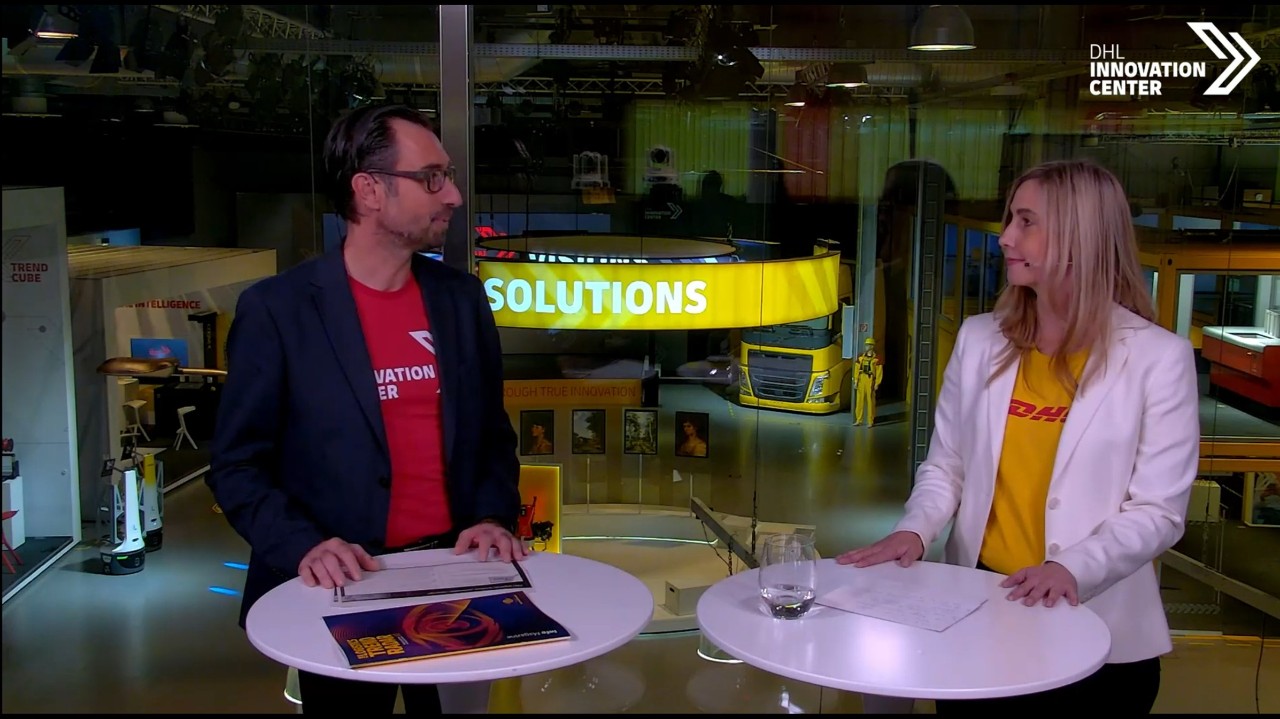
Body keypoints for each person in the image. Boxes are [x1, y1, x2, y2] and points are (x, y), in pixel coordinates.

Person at [837, 159, 1199, 714]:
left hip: (1099, 635)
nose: (1006, 237)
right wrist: (916, 529)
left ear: (1080, 236)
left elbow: (1158, 510)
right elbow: (947, 466)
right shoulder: (980, 340)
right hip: (979, 612)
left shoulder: (1157, 359)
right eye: (1011, 219)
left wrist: (1072, 568)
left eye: (1027, 222)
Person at [208, 103, 526, 715]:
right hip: (342, 589)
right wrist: (303, 545)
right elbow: (238, 465)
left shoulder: (461, 300)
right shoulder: (279, 310)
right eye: (431, 178)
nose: (453, 195)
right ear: (370, 190)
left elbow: (491, 434)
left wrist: (492, 515)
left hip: (454, 578)